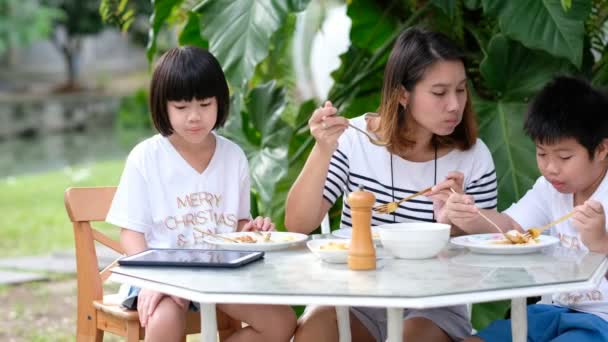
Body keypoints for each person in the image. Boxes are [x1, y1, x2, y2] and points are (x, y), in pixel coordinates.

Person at [285, 27, 498, 342]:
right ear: (402, 94)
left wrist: (461, 220)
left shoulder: (472, 158)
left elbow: (488, 253)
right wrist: (322, 149)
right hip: (355, 296)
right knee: (312, 335)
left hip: (432, 304)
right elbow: (298, 224)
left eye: (461, 90)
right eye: (439, 93)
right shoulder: (354, 141)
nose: (455, 105)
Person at [106, 46, 296, 342]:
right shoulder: (146, 157)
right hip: (162, 274)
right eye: (181, 108)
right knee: (164, 319)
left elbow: (236, 227)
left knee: (281, 322)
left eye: (205, 104)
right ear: (163, 106)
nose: (194, 117)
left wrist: (251, 231)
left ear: (220, 102)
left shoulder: (233, 157)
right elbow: (131, 234)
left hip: (221, 274)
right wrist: (157, 278)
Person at [446, 76, 608, 342]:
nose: (550, 167)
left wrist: (601, 243)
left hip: (600, 321)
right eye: (542, 154)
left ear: (601, 149)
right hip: (549, 312)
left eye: (564, 157)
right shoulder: (549, 187)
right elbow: (510, 227)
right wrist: (467, 214)